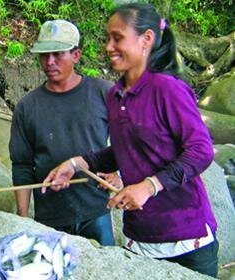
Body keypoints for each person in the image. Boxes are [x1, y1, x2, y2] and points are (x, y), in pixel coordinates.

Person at [43, 3, 218, 277]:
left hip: (186, 239)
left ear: (146, 39)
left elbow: (201, 150)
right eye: (107, 39)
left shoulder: (167, 88)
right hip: (140, 239)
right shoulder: (115, 95)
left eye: (118, 38)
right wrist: (75, 163)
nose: (109, 47)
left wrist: (149, 186)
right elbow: (125, 149)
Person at [9, 19, 119, 246]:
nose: (49, 62)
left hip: (95, 210)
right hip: (50, 215)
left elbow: (131, 142)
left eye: (58, 54)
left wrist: (120, 173)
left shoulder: (104, 93)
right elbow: (21, 165)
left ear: (76, 55)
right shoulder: (27, 107)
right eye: (44, 55)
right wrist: (22, 217)